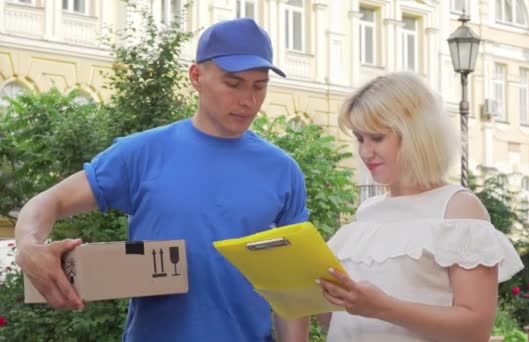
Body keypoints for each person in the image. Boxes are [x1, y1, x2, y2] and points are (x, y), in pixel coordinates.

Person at [15, 18, 310, 342]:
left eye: (259, 85)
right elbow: (48, 201)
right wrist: (28, 248)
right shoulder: (140, 153)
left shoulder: (283, 171)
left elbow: (292, 289)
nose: (248, 100)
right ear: (196, 76)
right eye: (233, 83)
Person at [316, 72, 524, 342]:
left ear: (416, 135)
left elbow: (475, 329)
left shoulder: (458, 209)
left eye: (377, 138)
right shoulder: (366, 213)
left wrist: (382, 307)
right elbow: (339, 322)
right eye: (360, 138)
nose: (365, 152)